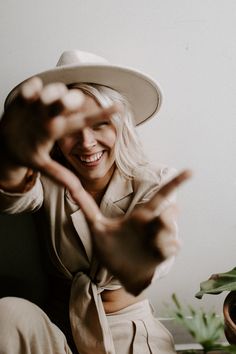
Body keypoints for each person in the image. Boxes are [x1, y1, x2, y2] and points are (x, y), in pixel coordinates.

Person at [0, 50, 191, 354]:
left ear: (120, 124)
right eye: (70, 128)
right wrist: (12, 158)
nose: (86, 142)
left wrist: (142, 260)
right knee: (7, 312)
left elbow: (158, 251)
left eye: (99, 124)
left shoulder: (153, 182)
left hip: (129, 336)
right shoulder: (47, 180)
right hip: (58, 331)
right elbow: (14, 197)